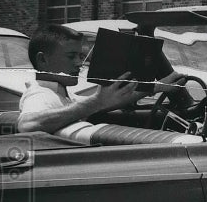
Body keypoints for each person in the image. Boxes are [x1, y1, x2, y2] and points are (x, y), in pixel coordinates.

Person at [17, 24, 187, 135]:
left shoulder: (57, 94)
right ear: (43, 60)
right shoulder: (41, 95)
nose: (79, 63)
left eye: (81, 56)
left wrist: (157, 87)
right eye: (71, 56)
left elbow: (105, 102)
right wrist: (96, 102)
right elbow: (28, 125)